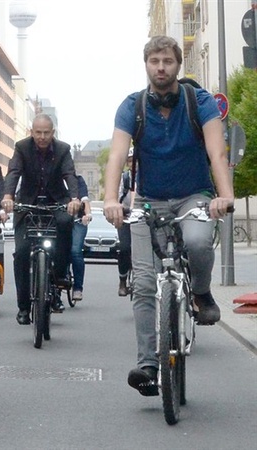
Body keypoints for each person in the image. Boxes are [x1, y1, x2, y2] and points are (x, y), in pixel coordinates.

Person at [102, 35, 234, 396]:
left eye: (168, 61)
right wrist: (112, 199)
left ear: (178, 65)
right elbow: (116, 155)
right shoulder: (133, 106)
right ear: (146, 64)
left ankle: (202, 293)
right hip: (147, 200)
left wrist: (225, 195)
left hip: (194, 195)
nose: (161, 68)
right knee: (143, 282)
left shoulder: (199, 102)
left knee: (196, 241)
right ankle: (148, 362)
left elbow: (217, 152)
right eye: (154, 61)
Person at [1, 114, 81, 324]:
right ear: (32, 132)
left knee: (65, 223)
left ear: (52, 133)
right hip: (27, 204)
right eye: (38, 133)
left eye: (46, 133)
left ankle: (59, 276)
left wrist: (74, 198)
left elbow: (70, 175)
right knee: (21, 253)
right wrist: (8, 197)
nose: (42, 137)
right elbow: (13, 173)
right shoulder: (22, 147)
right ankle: (24, 308)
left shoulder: (63, 149)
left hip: (56, 202)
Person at [116, 148, 135, 297]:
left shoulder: (148, 177)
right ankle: (122, 280)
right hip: (126, 217)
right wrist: (119, 209)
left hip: (143, 217)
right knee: (124, 248)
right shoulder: (125, 178)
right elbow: (116, 198)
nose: (133, 163)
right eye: (129, 160)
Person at [70, 174, 92, 301]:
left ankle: (78, 288)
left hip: (78, 221)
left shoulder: (78, 180)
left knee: (75, 251)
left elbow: (85, 199)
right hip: (58, 221)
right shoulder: (53, 177)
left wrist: (88, 214)